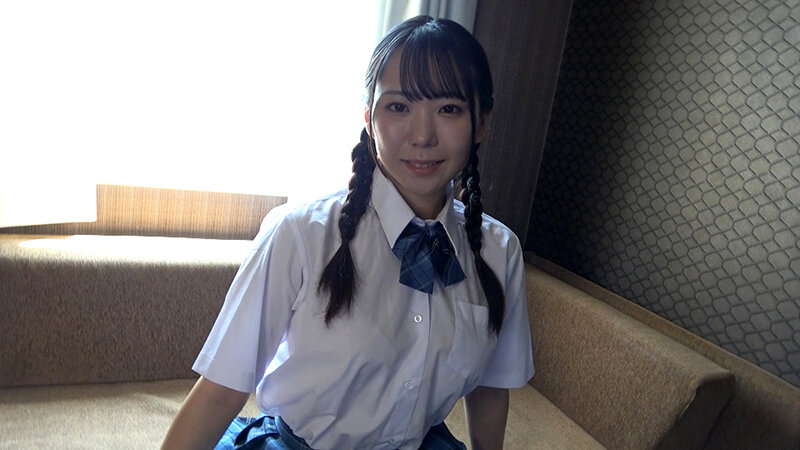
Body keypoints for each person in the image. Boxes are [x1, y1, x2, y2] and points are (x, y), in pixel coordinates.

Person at [162, 15, 534, 450]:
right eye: (398, 107)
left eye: (449, 109)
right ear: (368, 117)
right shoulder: (300, 235)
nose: (422, 136)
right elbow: (218, 393)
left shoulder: (499, 251)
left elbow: (489, 388)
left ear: (482, 122)